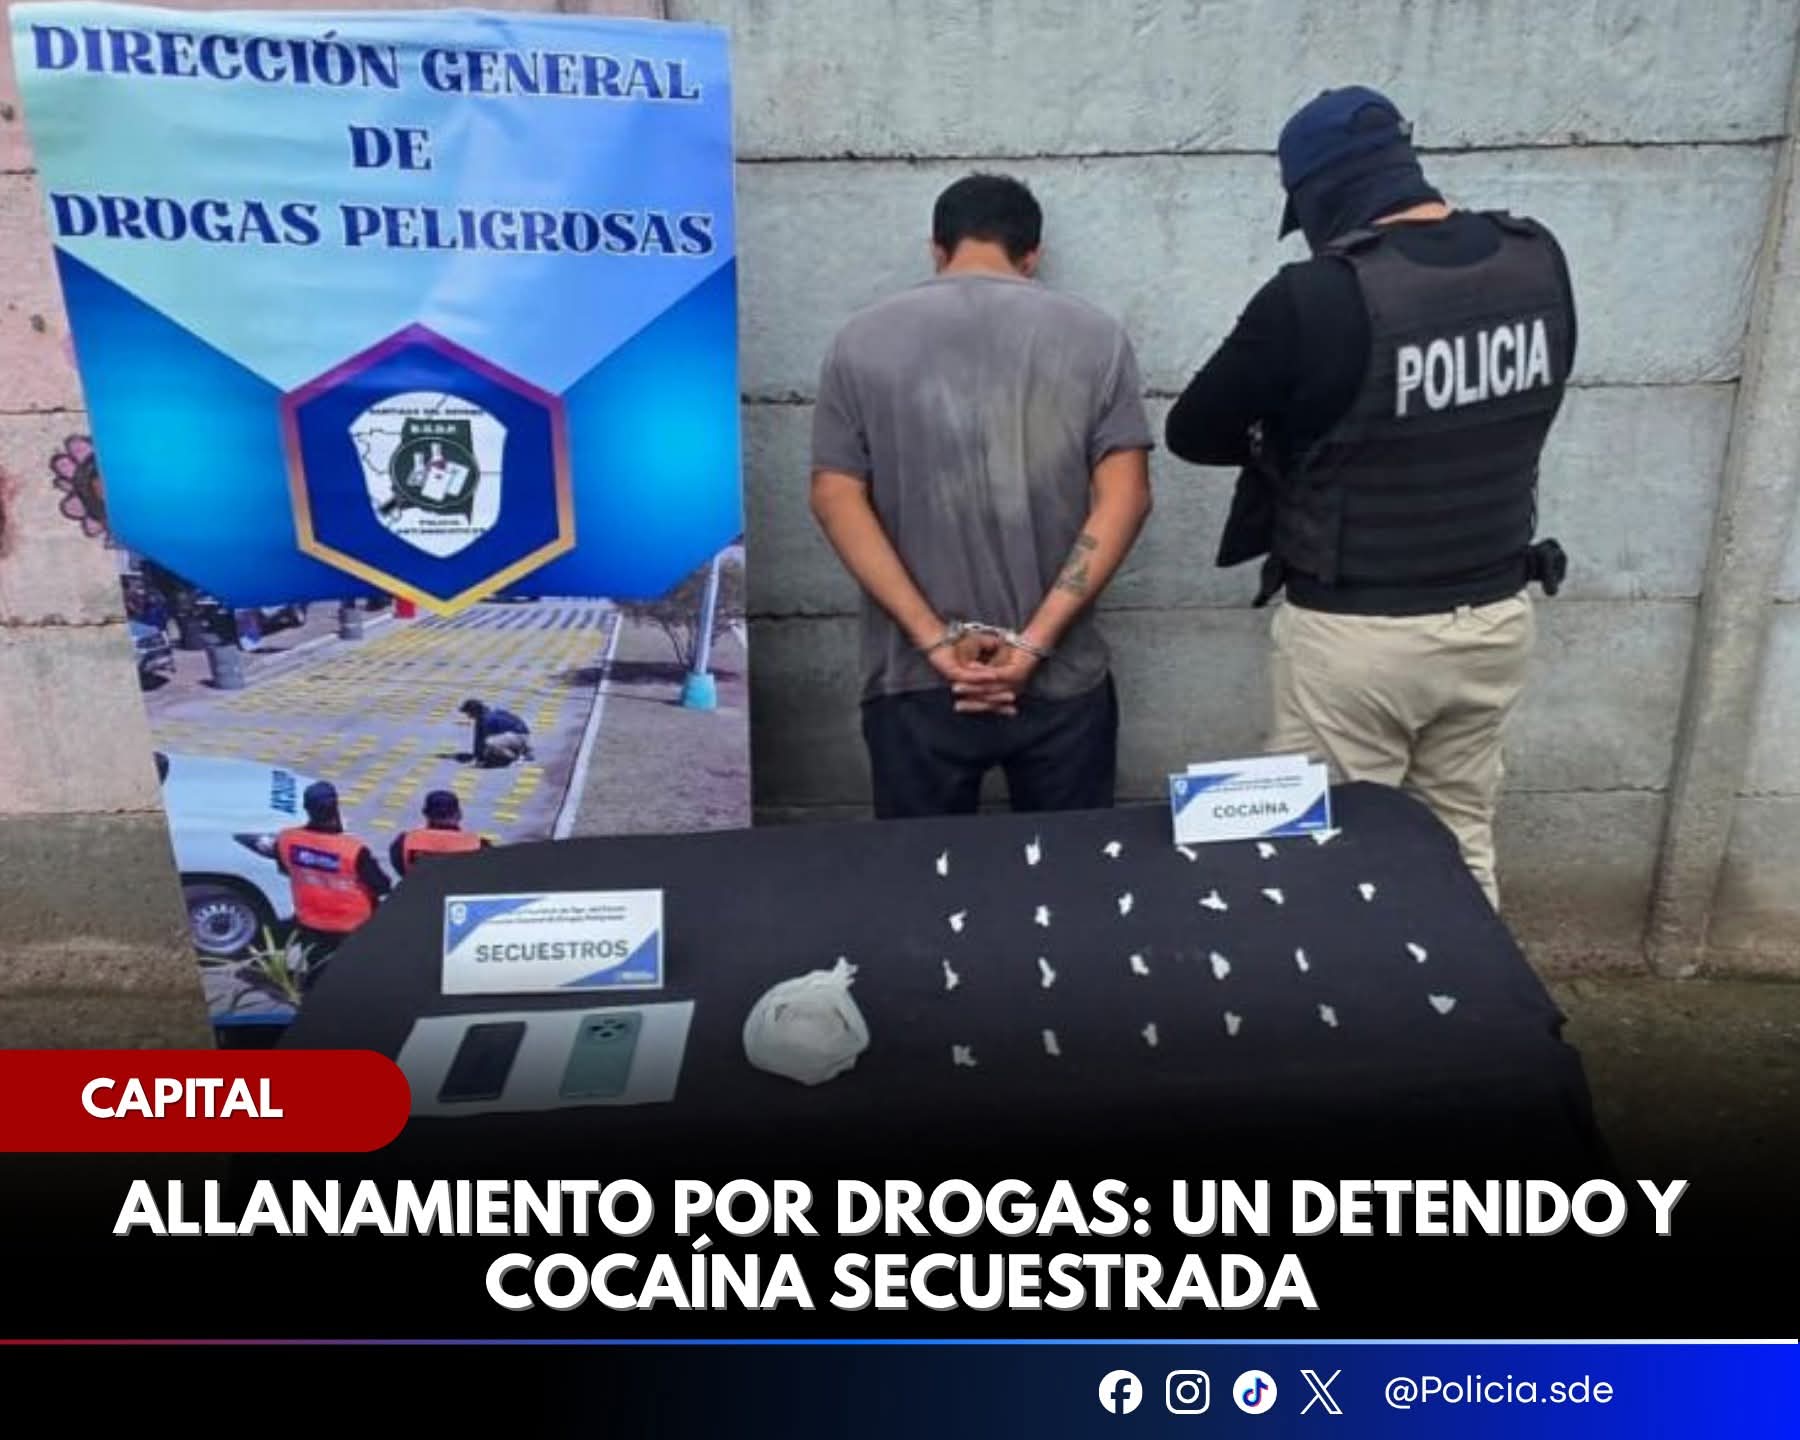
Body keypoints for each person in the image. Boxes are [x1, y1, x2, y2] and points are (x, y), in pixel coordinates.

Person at [1164, 87, 1576, 910]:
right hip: (1496, 619)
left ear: (1320, 192)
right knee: (1460, 838)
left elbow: (1193, 430)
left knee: (1330, 866)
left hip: (1358, 638)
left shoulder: (1315, 295)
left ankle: (1354, 997)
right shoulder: (1537, 259)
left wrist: (1289, 446)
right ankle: (1476, 992)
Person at [810, 172, 1155, 818]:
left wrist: (934, 641)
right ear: (1032, 255)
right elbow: (1127, 497)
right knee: (1070, 870)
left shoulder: (859, 340)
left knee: (923, 873)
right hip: (1061, 674)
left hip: (912, 677)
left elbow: (835, 496)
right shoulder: (1097, 337)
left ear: (937, 249)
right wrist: (1033, 643)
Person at [273, 781, 391, 981]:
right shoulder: (353, 849)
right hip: (353, 926)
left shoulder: (286, 839)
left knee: (318, 972)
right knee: (354, 977)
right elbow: (382, 886)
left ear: (306, 808)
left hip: (310, 923)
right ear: (336, 807)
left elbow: (285, 869)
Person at [391, 790, 489, 877]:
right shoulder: (478, 845)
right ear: (459, 814)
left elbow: (402, 871)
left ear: (425, 814)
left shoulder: (404, 842)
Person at [459, 698, 534, 767]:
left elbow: (485, 742)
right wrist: (477, 756)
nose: (468, 716)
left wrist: (481, 761)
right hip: (516, 736)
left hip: (520, 737)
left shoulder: (488, 720)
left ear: (474, 711)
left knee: (490, 743)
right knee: (491, 745)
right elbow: (478, 739)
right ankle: (520, 750)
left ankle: (516, 757)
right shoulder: (483, 717)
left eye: (468, 713)